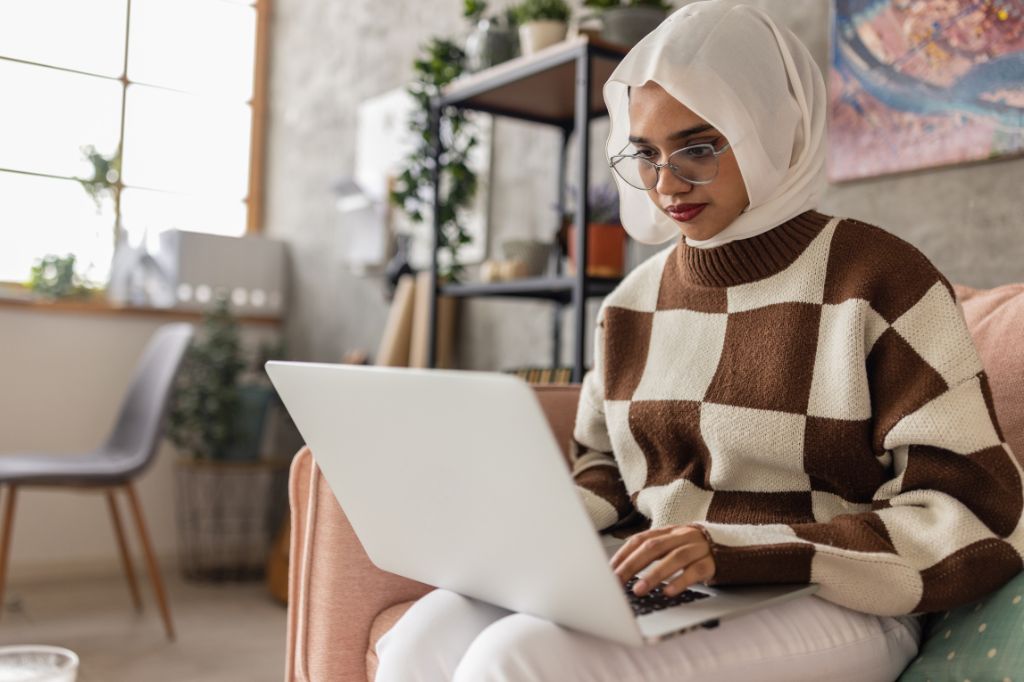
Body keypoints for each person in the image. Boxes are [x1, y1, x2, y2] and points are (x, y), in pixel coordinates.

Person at [374, 2, 1024, 680]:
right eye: (646, 154)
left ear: (771, 127)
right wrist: (525, 529)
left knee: (517, 657)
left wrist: (739, 549)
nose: (666, 184)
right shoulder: (631, 304)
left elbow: (970, 512)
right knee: (427, 632)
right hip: (677, 582)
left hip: (836, 599)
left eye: (698, 147)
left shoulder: (878, 279)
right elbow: (606, 469)